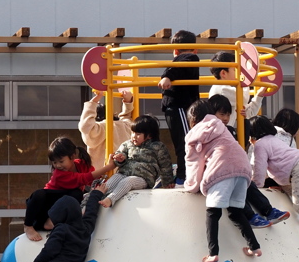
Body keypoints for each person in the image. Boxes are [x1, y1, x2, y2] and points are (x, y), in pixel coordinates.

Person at [183, 99, 261, 262]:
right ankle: (255, 247)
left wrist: (191, 186)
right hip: (243, 167)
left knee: (213, 211)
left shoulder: (194, 134)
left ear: (193, 119)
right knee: (235, 211)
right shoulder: (220, 126)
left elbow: (193, 163)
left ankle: (213, 253)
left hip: (223, 168)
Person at [207, 94, 289, 229]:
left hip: (230, 169)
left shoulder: (229, 130)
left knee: (247, 182)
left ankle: (268, 211)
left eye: (228, 115)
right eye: (222, 115)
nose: (226, 119)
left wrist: (244, 120)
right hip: (217, 173)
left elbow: (241, 143)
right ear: (211, 114)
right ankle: (251, 216)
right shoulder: (207, 132)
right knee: (233, 186)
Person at [249, 116, 299, 243]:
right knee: (289, 189)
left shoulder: (260, 145)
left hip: (298, 169)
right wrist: (280, 184)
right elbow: (279, 164)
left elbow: (260, 168)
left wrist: (256, 185)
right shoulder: (273, 139)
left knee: (298, 204)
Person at [23, 137, 118, 241]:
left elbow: (95, 180)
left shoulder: (82, 165)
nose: (58, 165)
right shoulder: (59, 174)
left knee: (77, 194)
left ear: (72, 156)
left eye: (61, 161)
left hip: (58, 211)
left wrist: (108, 166)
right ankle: (28, 226)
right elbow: (84, 178)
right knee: (39, 194)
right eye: (54, 162)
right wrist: (109, 167)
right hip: (44, 209)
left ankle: (51, 222)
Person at [100, 115, 175, 207]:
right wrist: (120, 159)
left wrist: (167, 182)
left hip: (143, 179)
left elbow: (165, 165)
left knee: (128, 182)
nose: (134, 136)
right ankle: (91, 201)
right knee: (108, 184)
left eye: (138, 134)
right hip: (123, 173)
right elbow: (120, 155)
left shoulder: (158, 147)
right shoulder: (127, 144)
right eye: (132, 133)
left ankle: (111, 199)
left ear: (149, 135)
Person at [159, 29, 201, 185]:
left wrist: (168, 75)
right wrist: (167, 76)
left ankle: (183, 175)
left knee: (183, 142)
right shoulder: (189, 58)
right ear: (195, 48)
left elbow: (180, 64)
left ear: (174, 50)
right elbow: (177, 67)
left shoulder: (186, 58)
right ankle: (184, 176)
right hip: (180, 106)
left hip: (177, 106)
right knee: (186, 142)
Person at [207, 49, 265, 133]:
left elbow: (248, 113)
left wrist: (259, 96)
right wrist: (245, 79)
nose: (238, 73)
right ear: (223, 73)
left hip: (224, 133)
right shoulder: (222, 89)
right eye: (235, 70)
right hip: (220, 134)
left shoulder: (226, 90)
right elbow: (244, 98)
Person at [78, 88, 134, 167]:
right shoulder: (124, 126)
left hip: (101, 174)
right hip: (124, 173)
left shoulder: (99, 129)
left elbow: (85, 126)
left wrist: (93, 102)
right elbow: (126, 117)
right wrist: (128, 102)